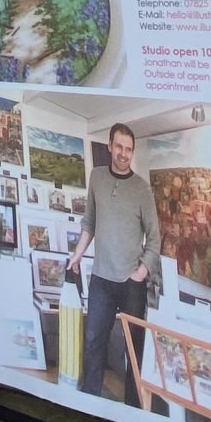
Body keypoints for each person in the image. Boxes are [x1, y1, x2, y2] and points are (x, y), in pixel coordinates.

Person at [66, 122, 161, 404]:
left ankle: (132, 411)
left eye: (128, 149)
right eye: (119, 147)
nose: (123, 153)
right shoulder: (96, 177)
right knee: (94, 340)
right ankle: (90, 402)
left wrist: (142, 271)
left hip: (131, 283)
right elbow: (90, 222)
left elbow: (155, 239)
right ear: (109, 146)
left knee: (134, 350)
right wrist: (78, 254)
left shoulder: (142, 189)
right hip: (101, 279)